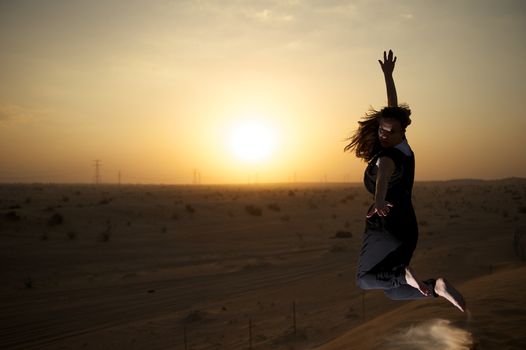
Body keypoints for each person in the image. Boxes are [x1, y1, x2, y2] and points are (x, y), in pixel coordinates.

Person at [344, 50, 466, 312]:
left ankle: (404, 275)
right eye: (381, 129)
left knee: (365, 280)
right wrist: (389, 76)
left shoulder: (388, 156)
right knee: (391, 291)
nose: (384, 134)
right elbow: (392, 109)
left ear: (401, 131)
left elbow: (385, 174)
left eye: (390, 131)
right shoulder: (404, 149)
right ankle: (436, 288)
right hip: (407, 229)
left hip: (384, 225)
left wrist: (378, 200)